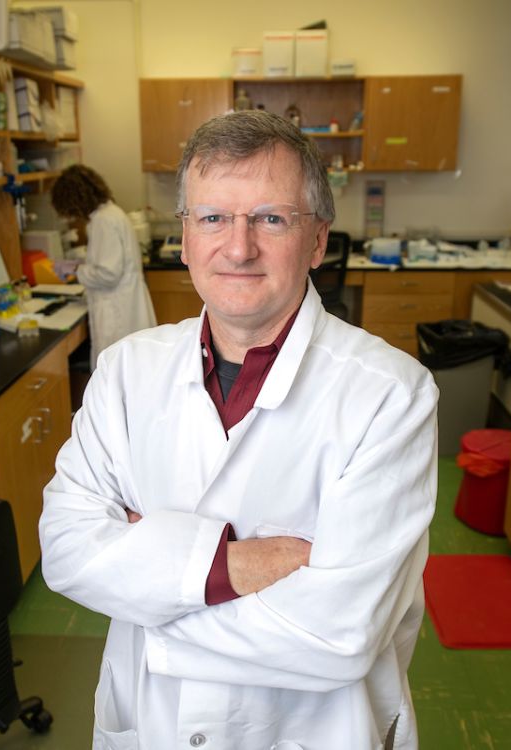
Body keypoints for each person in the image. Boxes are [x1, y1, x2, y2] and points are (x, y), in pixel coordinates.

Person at [40, 110, 438, 750]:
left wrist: (148, 590)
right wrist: (238, 565)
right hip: (153, 725)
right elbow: (64, 550)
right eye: (213, 217)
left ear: (317, 240)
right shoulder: (124, 373)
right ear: (185, 237)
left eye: (271, 218)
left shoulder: (390, 395)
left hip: (309, 731)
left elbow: (340, 635)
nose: (239, 246)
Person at [51, 164, 156, 369]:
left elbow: (108, 274)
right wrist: (81, 264)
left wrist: (75, 270)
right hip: (125, 304)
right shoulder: (111, 213)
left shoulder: (103, 221)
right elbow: (110, 263)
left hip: (116, 312)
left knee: (115, 374)